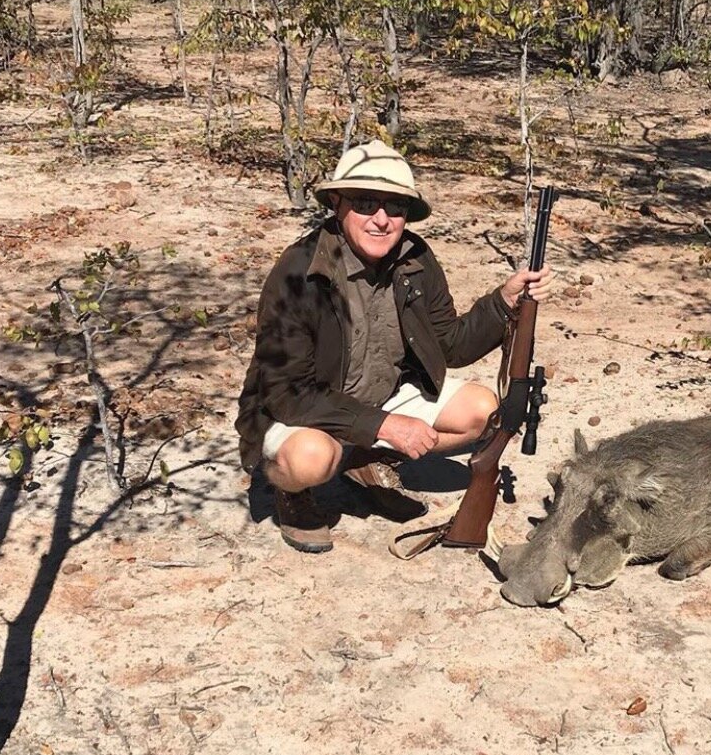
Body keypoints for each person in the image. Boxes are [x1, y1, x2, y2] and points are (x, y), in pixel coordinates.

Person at [236, 139, 553, 553]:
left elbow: (450, 347)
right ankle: (293, 496)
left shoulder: (415, 258)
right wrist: (385, 426)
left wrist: (502, 302)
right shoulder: (299, 271)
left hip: (381, 399)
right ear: (337, 203)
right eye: (366, 203)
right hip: (307, 413)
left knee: (482, 410)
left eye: (396, 207)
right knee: (310, 458)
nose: (381, 219)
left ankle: (361, 461)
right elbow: (287, 393)